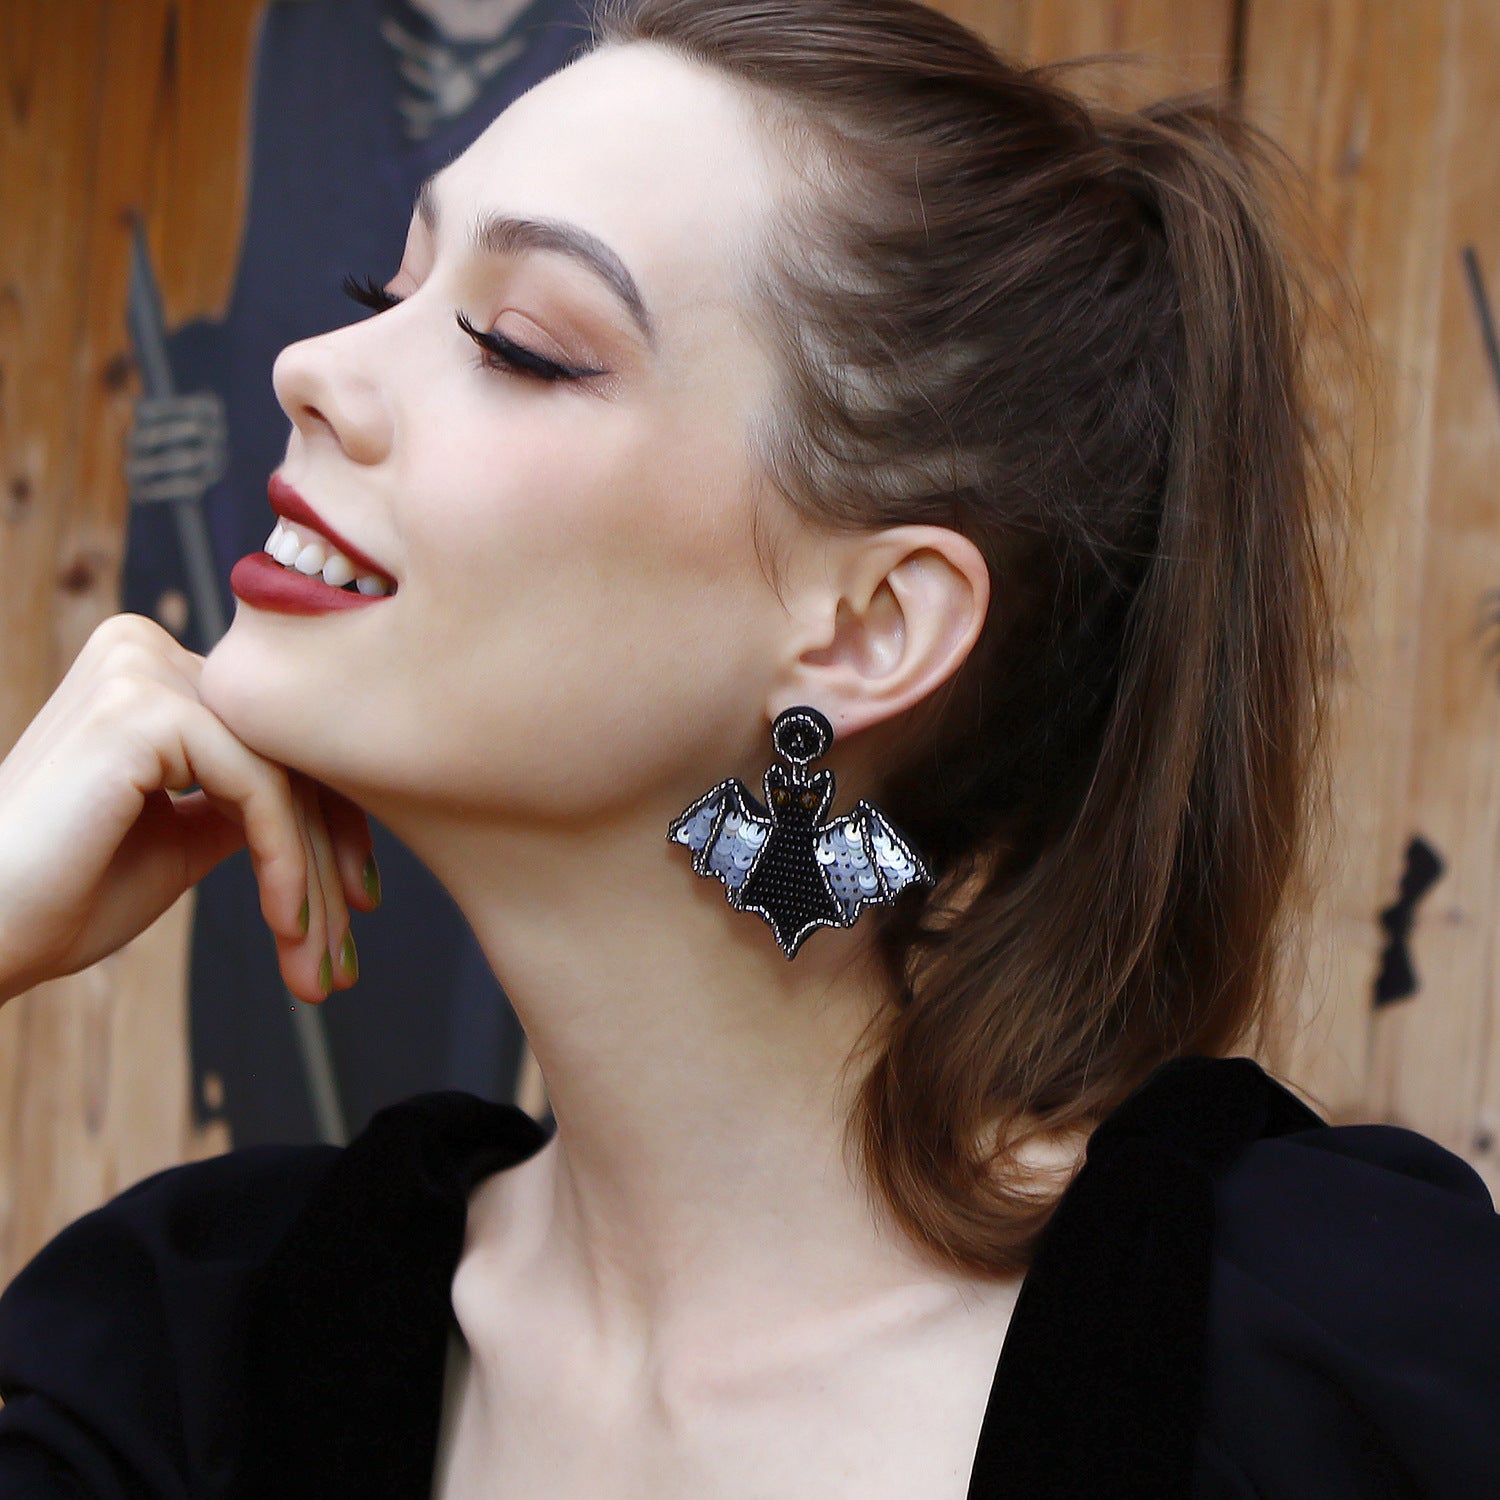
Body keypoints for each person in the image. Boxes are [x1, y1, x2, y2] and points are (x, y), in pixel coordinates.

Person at [0, 1, 1497, 1495]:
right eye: (380, 285)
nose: (310, 366)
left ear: (870, 627)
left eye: (519, 346)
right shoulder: (186, 1364)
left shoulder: (1339, 1374)